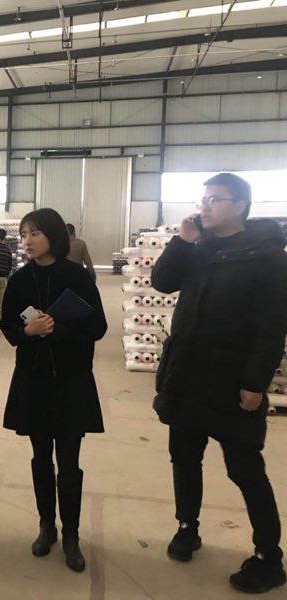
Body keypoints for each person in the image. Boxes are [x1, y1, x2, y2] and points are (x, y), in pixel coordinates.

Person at [152, 172, 286, 594]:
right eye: (204, 198)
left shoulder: (268, 256)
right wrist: (182, 241)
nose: (205, 206)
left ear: (240, 205)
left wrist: (255, 383)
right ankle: (187, 527)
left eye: (215, 199)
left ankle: (269, 556)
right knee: (184, 457)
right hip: (188, 377)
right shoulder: (200, 247)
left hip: (232, 383)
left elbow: (272, 327)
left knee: (245, 469)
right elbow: (162, 282)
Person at [0, 208, 107, 573]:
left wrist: (57, 330)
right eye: (23, 235)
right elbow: (8, 327)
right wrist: (26, 332)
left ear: (53, 235)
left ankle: (71, 534)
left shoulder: (76, 277)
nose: (27, 241)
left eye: (35, 233)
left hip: (71, 381)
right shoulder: (19, 281)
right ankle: (47, 525)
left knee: (69, 462)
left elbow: (98, 326)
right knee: (40, 457)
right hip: (33, 381)